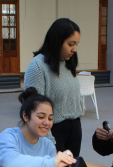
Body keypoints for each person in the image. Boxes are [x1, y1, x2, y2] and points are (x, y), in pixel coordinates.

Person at [0, 87, 76, 167]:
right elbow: (13, 160)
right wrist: (50, 163)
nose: (47, 122)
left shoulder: (48, 145)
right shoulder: (7, 137)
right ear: (25, 116)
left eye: (50, 118)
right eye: (41, 117)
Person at [23, 18, 82, 158]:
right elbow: (33, 107)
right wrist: (49, 140)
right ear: (57, 41)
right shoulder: (38, 66)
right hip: (52, 130)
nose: (74, 49)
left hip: (74, 129)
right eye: (70, 44)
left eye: (76, 44)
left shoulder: (68, 63)